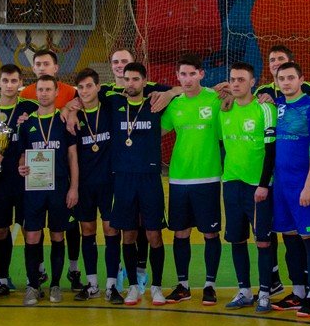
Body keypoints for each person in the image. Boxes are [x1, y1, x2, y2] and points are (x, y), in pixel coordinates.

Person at [162, 54, 223, 305]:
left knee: (210, 233)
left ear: (201, 74)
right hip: (179, 179)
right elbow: (157, 130)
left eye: (192, 74)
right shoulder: (174, 105)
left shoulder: (215, 99)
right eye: (183, 74)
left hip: (208, 177)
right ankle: (183, 285)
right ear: (177, 76)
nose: (187, 79)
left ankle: (210, 285)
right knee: (180, 233)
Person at [107, 61, 169, 306]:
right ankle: (133, 286)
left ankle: (157, 287)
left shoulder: (156, 103)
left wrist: (169, 93)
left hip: (150, 178)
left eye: (135, 79)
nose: (130, 83)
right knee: (128, 234)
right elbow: (82, 97)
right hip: (123, 178)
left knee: (154, 234)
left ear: (144, 81)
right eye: (127, 79)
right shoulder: (114, 103)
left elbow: (181, 90)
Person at [19, 49, 81, 290]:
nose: (44, 93)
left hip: (59, 188)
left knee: (57, 235)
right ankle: (33, 286)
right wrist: (21, 166)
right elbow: (22, 155)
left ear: (57, 92)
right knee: (32, 235)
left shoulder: (65, 121)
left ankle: (55, 284)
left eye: (48, 89)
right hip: (34, 188)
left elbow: (73, 157)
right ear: (35, 93)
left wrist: (74, 188)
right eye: (40, 90)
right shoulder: (27, 123)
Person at [269, 61, 310, 318]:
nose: (286, 82)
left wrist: (308, 186)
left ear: (302, 79)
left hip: (303, 185)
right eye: (282, 78)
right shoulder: (277, 106)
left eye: (291, 77)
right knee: (290, 238)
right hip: (281, 186)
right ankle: (298, 291)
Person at [218, 62, 276, 311]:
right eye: (233, 79)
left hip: (258, 187)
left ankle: (264, 293)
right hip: (232, 183)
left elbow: (271, 151)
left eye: (241, 79)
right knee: (237, 239)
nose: (236, 83)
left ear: (253, 82)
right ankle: (244, 290)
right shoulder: (224, 109)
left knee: (263, 241)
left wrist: (263, 184)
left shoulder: (265, 108)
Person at [0, 64, 38, 298]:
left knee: (30, 230)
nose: (9, 85)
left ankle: (33, 279)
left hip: (25, 179)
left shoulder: (30, 108)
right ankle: (2, 280)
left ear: (20, 83)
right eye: (5, 80)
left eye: (14, 81)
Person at [69, 68, 122, 303]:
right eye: (81, 87)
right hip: (85, 184)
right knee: (87, 231)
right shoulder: (74, 116)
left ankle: (112, 286)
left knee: (111, 230)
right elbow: (72, 154)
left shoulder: (109, 107)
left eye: (89, 86)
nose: (85, 91)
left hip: (109, 183)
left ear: (98, 87)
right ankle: (92, 284)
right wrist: (69, 109)